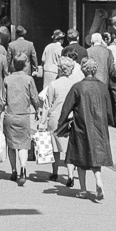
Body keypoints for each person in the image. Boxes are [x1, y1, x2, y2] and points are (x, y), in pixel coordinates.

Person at [59, 57, 113, 199]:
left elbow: (66, 108)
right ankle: (99, 180)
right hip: (99, 125)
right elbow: (109, 109)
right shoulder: (102, 87)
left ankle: (83, 189)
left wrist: (62, 125)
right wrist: (110, 122)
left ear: (83, 70)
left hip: (81, 124)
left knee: (80, 156)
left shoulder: (78, 87)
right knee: (95, 156)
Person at [2, 53, 41, 186]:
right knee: (23, 144)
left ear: (13, 64)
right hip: (24, 115)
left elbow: (2, 100)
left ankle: (13, 171)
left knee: (11, 145)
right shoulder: (29, 79)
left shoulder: (7, 79)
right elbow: (34, 97)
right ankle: (23, 169)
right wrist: (38, 109)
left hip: (10, 115)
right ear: (25, 65)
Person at [40, 57, 78, 187]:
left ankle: (55, 172)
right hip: (71, 118)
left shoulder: (53, 84)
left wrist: (42, 121)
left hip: (55, 117)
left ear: (60, 69)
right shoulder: (75, 85)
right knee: (69, 149)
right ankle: (70, 175)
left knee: (55, 147)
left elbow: (47, 105)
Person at [88, 33, 116, 128]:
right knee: (102, 102)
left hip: (91, 80)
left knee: (92, 101)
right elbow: (111, 68)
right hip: (104, 81)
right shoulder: (108, 52)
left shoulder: (88, 51)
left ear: (92, 41)